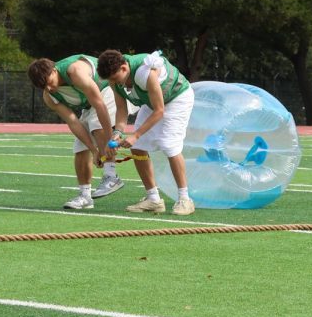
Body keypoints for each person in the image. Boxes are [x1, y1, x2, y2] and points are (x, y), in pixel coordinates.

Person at [97, 49, 196, 216]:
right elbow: (121, 109)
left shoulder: (145, 73)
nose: (115, 83)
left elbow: (159, 111)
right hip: (152, 102)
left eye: (115, 78)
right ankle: (153, 200)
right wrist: (117, 133)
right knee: (138, 147)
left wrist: (135, 135)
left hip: (177, 98)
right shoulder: (115, 80)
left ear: (124, 68)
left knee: (169, 145)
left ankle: (185, 199)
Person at [27, 55, 125, 210]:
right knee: (80, 148)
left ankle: (111, 175)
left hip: (108, 91)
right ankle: (85, 196)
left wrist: (109, 140)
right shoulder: (49, 96)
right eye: (43, 87)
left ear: (54, 71)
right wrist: (94, 151)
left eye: (48, 83)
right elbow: (73, 122)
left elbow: (99, 105)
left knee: (96, 124)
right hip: (90, 105)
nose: (49, 89)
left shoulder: (75, 71)